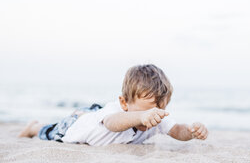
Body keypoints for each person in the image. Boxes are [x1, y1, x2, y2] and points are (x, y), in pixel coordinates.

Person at [18, 64, 208, 146]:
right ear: (124, 103)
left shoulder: (157, 116)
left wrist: (191, 132)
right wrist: (141, 117)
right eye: (147, 110)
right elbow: (111, 123)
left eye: (160, 109)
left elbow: (176, 130)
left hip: (94, 114)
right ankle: (32, 127)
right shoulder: (116, 113)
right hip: (78, 125)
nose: (154, 115)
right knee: (51, 133)